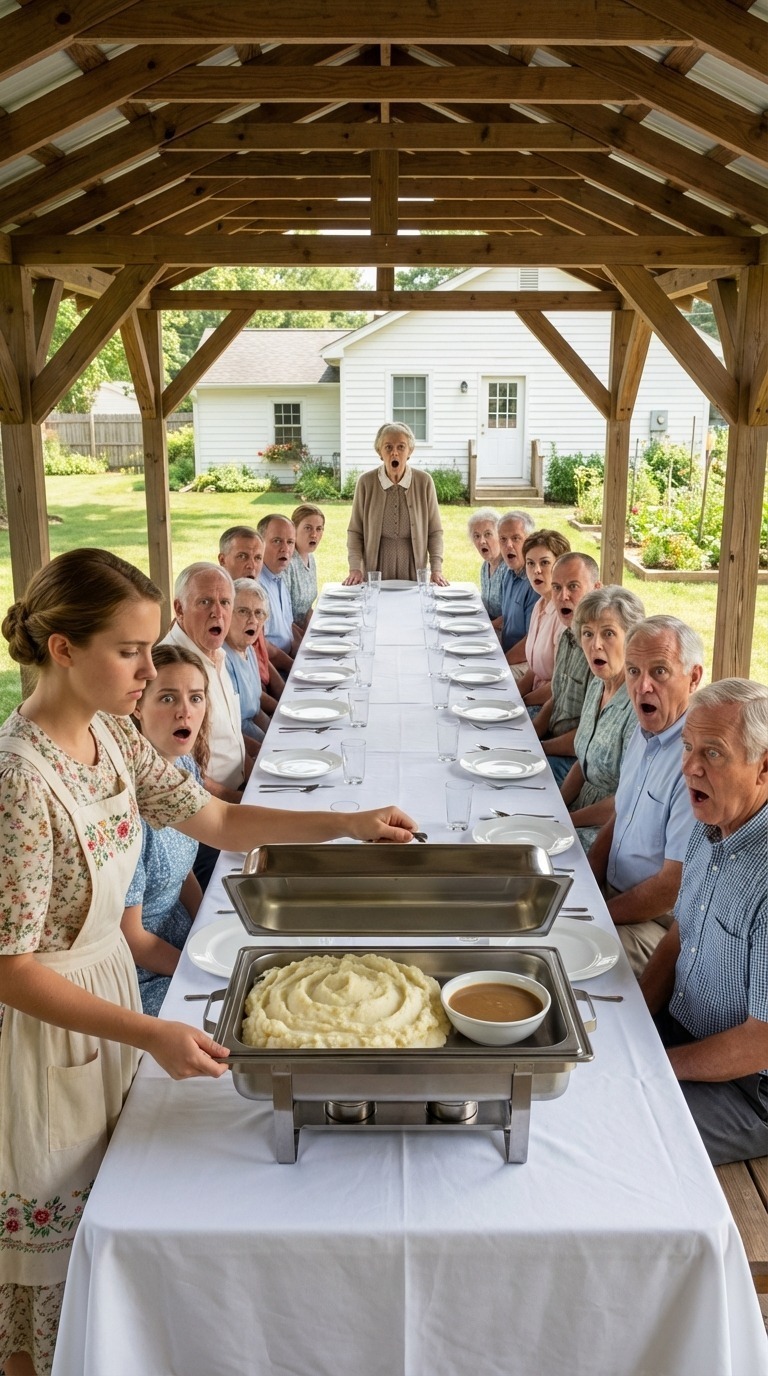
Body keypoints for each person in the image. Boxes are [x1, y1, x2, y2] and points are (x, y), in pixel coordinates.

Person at [0, 548, 416, 1376]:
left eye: (153, 649)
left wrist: (350, 822)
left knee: (121, 1235)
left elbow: (219, 822)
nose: (149, 670)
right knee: (55, 1276)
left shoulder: (113, 737)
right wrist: (149, 1032)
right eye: (130, 651)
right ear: (63, 650)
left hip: (114, 1002)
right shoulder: (19, 778)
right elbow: (10, 968)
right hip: (51, 1039)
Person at [640, 679, 768, 1165]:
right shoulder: (709, 825)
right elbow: (680, 934)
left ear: (764, 766)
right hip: (682, 1035)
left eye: (713, 753)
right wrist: (639, 1018)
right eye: (689, 747)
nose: (689, 767)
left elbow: (763, 1040)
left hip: (748, 1090)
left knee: (618, 1126)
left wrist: (656, 1065)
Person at [589, 615, 703, 976]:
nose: (642, 687)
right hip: (615, 895)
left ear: (694, 678)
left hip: (656, 924)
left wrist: (600, 913)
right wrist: (587, 881)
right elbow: (619, 816)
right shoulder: (645, 731)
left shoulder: (695, 762)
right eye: (634, 672)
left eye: (660, 672)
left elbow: (670, 888)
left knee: (574, 958)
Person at [122, 645, 210, 1016]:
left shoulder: (187, 766)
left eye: (196, 698)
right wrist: (200, 971)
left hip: (176, 932)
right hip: (139, 969)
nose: (185, 711)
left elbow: (183, 863)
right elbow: (132, 940)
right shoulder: (128, 806)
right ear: (138, 706)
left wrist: (207, 921)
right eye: (168, 697)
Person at [560, 586, 646, 852]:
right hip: (578, 813)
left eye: (608, 633)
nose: (595, 644)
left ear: (632, 639)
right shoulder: (598, 685)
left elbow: (624, 803)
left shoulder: (639, 707)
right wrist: (553, 810)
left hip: (610, 831)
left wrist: (564, 823)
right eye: (587, 634)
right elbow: (581, 765)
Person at [161, 563, 250, 801]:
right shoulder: (172, 668)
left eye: (225, 602)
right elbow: (178, 768)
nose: (217, 613)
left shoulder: (217, 654)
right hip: (213, 808)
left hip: (240, 790)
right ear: (179, 608)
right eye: (205, 602)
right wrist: (238, 802)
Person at [344, 422, 446, 585]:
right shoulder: (366, 482)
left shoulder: (424, 482)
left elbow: (434, 531)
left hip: (413, 565)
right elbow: (355, 531)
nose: (395, 453)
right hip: (376, 567)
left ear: (410, 451)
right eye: (388, 447)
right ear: (379, 452)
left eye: (401, 447)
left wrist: (436, 569)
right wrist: (355, 568)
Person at [534, 552, 601, 785]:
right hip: (552, 738)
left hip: (572, 761)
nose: (563, 596)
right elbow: (557, 697)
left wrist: (539, 748)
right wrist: (530, 735)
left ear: (596, 589)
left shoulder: (599, 654)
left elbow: (587, 737)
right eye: (557, 587)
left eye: (573, 587)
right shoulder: (567, 637)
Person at [218, 526, 292, 679]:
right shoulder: (219, 609)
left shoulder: (252, 596)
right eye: (242, 556)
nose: (251, 565)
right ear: (222, 560)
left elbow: (263, 657)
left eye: (258, 558)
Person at [515, 529, 571, 707]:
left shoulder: (564, 616)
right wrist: (513, 695)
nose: (536, 570)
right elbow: (534, 668)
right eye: (530, 563)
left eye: (544, 563)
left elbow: (559, 686)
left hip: (551, 707)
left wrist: (521, 703)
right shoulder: (539, 605)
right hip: (533, 696)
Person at [224, 579, 272, 741]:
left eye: (259, 613)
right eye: (243, 611)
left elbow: (256, 710)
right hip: (239, 749)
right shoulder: (222, 658)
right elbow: (227, 732)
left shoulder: (249, 650)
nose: (253, 620)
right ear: (227, 614)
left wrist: (275, 737)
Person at [497, 510, 538, 681]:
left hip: (526, 663)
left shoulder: (535, 583)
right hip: (508, 651)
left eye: (516, 538)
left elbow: (531, 642)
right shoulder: (508, 573)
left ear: (529, 542)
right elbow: (507, 618)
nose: (509, 545)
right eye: (503, 539)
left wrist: (501, 662)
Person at [256, 514, 297, 657]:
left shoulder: (278, 576)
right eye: (277, 541)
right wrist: (291, 665)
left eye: (290, 542)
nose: (285, 549)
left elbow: (288, 628)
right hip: (277, 669)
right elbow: (260, 647)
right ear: (260, 544)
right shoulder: (257, 586)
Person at [285, 504, 324, 640]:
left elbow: (308, 607)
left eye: (319, 529)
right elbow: (284, 619)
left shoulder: (310, 558)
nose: (314, 534)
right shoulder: (287, 563)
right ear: (294, 529)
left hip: (307, 632)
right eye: (308, 528)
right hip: (291, 639)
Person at [467, 508, 504, 629]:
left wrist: (483, 628)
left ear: (500, 536)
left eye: (488, 534)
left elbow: (511, 617)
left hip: (501, 634)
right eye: (476, 536)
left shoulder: (508, 570)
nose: (482, 541)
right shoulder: (485, 566)